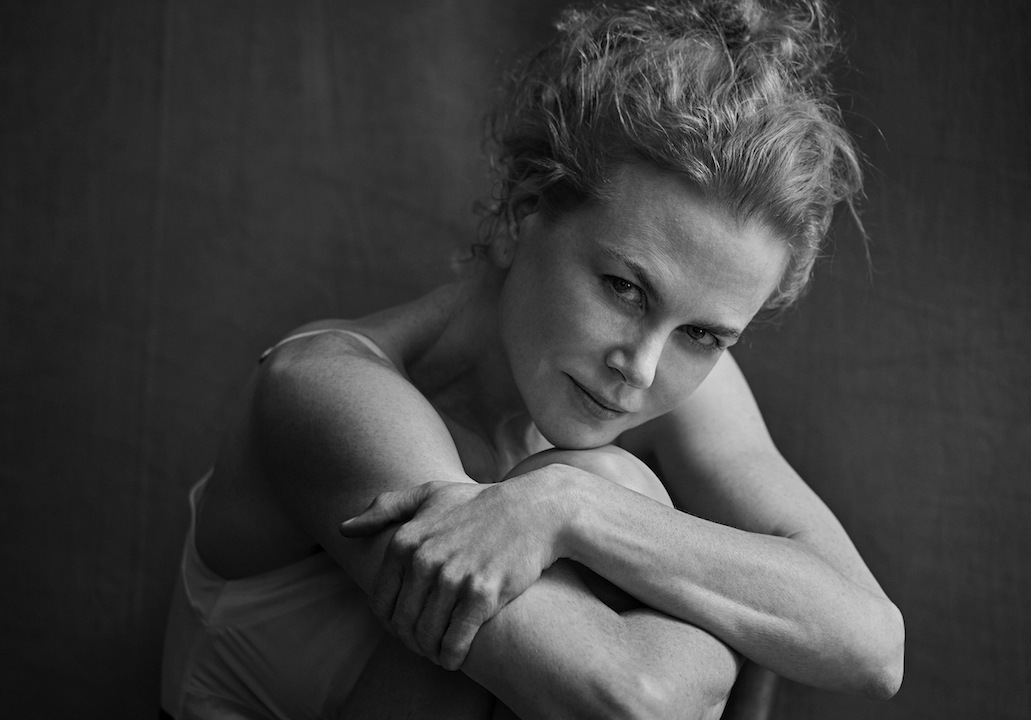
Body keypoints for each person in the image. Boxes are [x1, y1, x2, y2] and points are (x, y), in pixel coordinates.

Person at [160, 0, 905, 717]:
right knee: (617, 483)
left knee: (605, 488)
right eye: (624, 288)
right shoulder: (329, 394)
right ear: (525, 212)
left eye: (704, 335)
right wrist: (746, 613)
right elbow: (632, 701)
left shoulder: (657, 375)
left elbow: (875, 648)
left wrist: (569, 508)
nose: (642, 368)